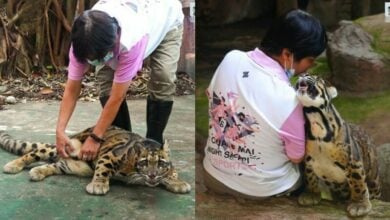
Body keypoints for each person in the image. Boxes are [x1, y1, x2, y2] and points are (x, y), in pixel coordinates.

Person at [203, 9, 327, 199]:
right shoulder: (290, 99)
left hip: (213, 175)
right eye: (310, 60)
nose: (309, 67)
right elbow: (296, 156)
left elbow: (209, 95)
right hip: (261, 190)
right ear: (287, 54)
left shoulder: (231, 58)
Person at [56, 0, 184, 161]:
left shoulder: (132, 38)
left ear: (114, 40)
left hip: (166, 22)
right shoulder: (82, 40)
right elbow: (72, 89)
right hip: (124, 32)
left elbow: (118, 96)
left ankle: (154, 140)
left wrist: (96, 137)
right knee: (105, 84)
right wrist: (60, 131)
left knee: (163, 77)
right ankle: (124, 141)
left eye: (100, 57)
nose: (96, 62)